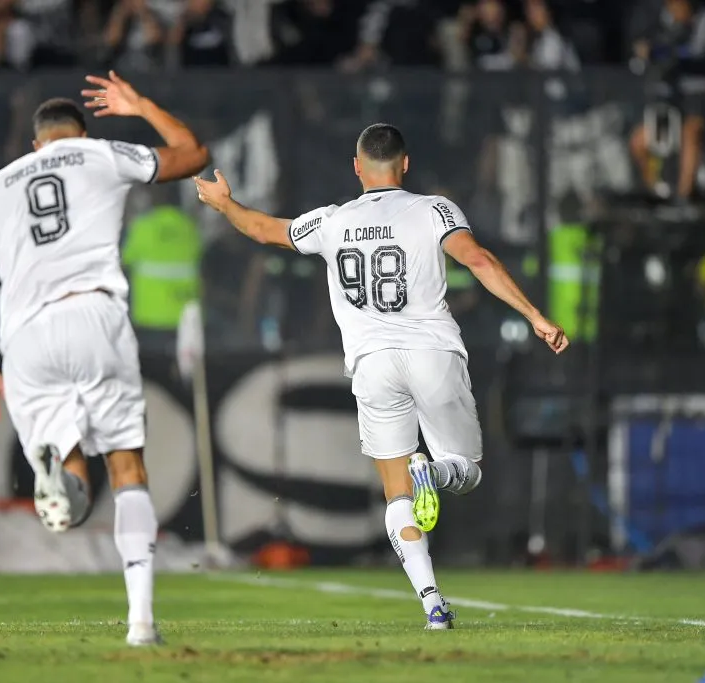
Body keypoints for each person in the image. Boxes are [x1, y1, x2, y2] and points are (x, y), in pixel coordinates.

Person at [194, 123, 568, 630]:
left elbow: (265, 230)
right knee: (467, 469)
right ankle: (433, 472)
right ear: (405, 164)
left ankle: (432, 602)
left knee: (396, 496)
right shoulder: (435, 210)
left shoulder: (332, 221)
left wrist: (223, 205)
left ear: (357, 167)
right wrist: (534, 316)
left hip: (372, 365)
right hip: (432, 353)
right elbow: (478, 259)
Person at [0, 73, 209, 647]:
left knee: (68, 461)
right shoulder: (101, 155)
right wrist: (141, 104)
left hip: (26, 336)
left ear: (37, 145)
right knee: (128, 466)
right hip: (94, 316)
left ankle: (63, 474)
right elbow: (193, 155)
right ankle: (140, 623)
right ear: (78, 134)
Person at [628, 0, 705, 202]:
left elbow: (701, 55)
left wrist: (660, 53)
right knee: (639, 141)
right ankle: (657, 195)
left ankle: (683, 197)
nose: (673, 11)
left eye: (677, 6)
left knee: (690, 130)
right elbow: (644, 54)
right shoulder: (665, 26)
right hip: (674, 100)